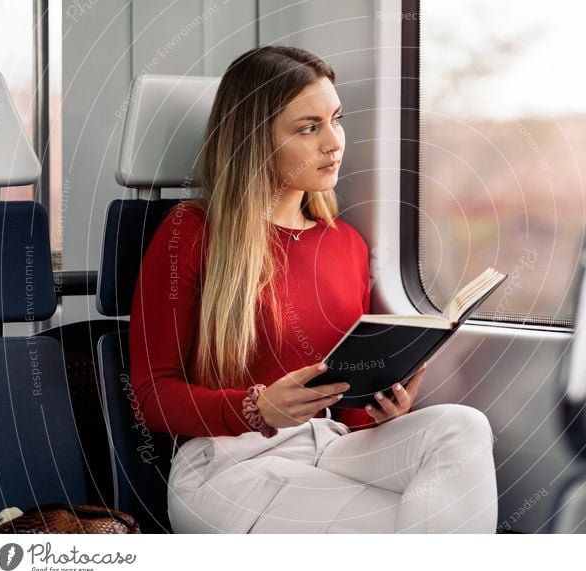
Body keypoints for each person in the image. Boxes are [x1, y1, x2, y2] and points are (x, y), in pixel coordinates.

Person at [128, 45, 498, 533]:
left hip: (329, 441)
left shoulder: (344, 243)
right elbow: (152, 396)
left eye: (336, 120)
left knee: (463, 427)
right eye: (308, 128)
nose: (334, 142)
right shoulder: (191, 232)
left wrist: (381, 405)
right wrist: (255, 407)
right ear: (255, 141)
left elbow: (344, 399)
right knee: (413, 526)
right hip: (228, 465)